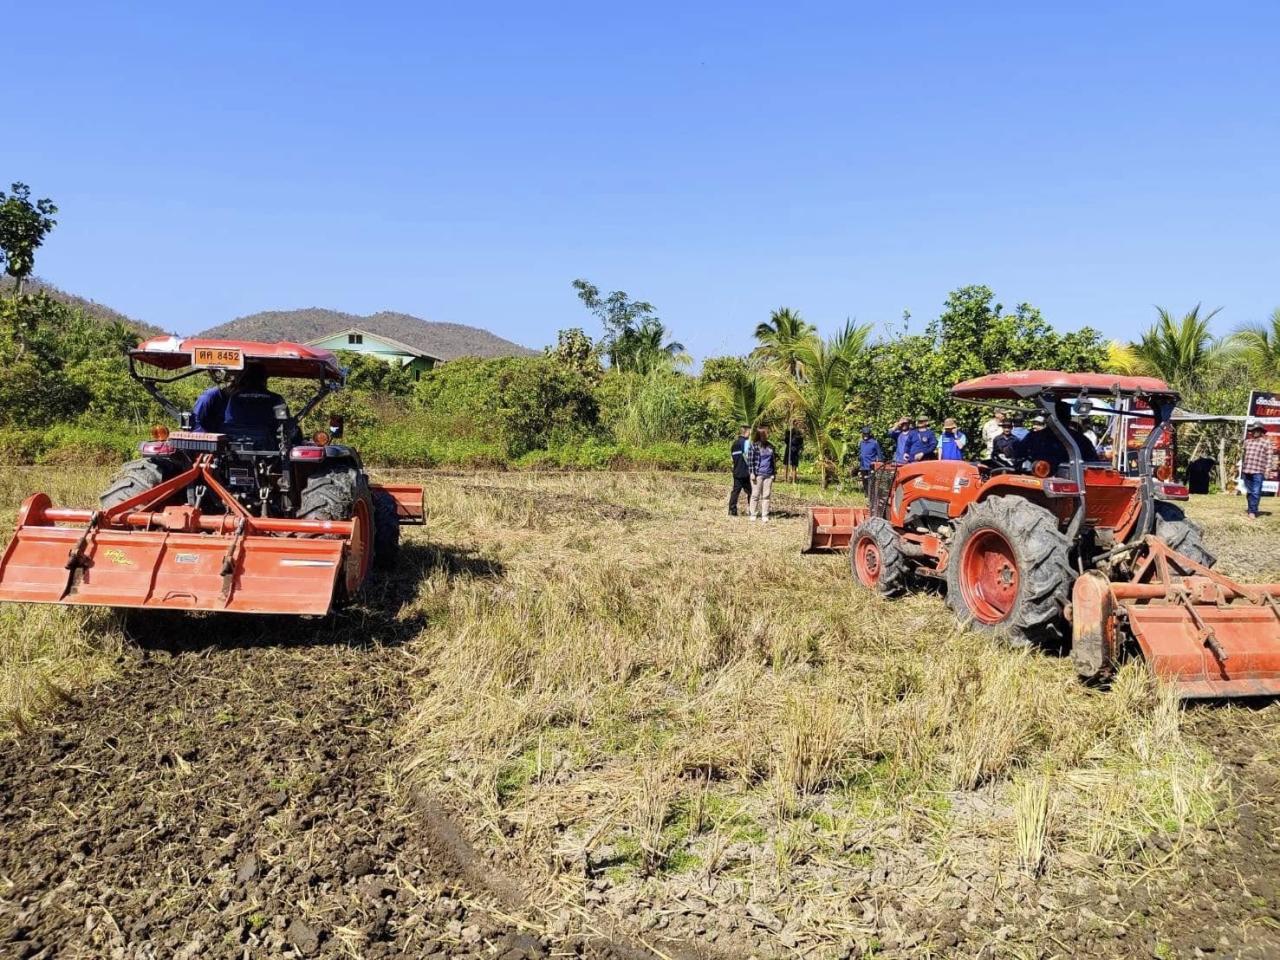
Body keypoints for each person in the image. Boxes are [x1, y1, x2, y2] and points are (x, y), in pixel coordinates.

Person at [192, 363, 286, 435]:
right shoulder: (277, 400)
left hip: (234, 441)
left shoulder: (234, 397)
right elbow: (283, 422)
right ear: (264, 379)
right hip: (266, 443)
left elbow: (229, 421)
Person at [1016, 402, 1098, 469]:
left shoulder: (1034, 437)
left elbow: (1018, 453)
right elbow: (1093, 461)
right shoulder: (1081, 439)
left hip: (1065, 477)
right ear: (1069, 418)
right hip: (1045, 475)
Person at [1241, 421, 1274, 521]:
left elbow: (1269, 458)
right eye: (1253, 430)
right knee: (1249, 492)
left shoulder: (1266, 442)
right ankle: (1251, 508)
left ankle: (1252, 511)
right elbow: (1243, 456)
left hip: (1258, 471)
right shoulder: (1247, 442)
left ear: (1261, 431)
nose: (1254, 432)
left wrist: (1267, 471)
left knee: (1256, 492)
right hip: (1247, 470)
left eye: (1257, 430)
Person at [748, 427, 777, 523]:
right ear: (761, 435)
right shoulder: (754, 446)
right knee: (755, 495)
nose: (768, 435)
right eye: (766, 434)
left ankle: (765, 515)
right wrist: (752, 473)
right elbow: (750, 460)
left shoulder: (771, 446)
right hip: (758, 474)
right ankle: (753, 514)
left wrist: (773, 473)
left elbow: (773, 461)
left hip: (768, 474)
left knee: (766, 496)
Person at [728, 424, 752, 516]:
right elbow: (750, 457)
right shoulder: (747, 443)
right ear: (747, 432)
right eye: (750, 431)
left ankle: (732, 510)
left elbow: (732, 459)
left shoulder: (734, 444)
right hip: (746, 472)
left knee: (735, 492)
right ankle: (751, 510)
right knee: (751, 492)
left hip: (737, 471)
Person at [857, 425, 884, 492]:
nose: (865, 435)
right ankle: (867, 495)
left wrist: (879, 463)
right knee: (864, 482)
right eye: (864, 434)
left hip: (871, 466)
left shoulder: (874, 443)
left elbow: (879, 454)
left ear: (869, 434)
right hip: (863, 466)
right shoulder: (861, 442)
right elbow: (861, 452)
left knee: (871, 482)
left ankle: (872, 494)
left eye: (867, 434)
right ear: (862, 434)